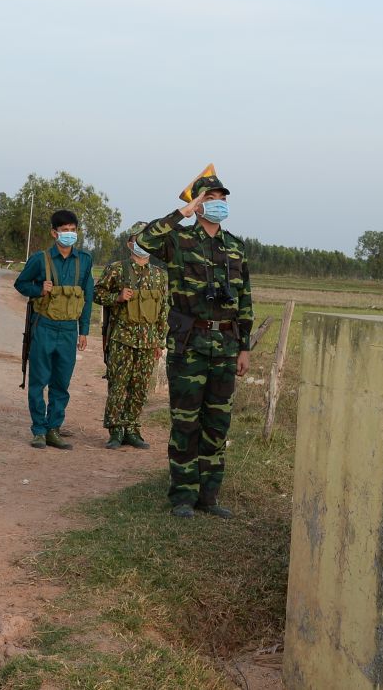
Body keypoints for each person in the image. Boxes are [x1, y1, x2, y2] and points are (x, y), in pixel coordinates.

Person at [136, 173, 252, 518]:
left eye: (223, 197)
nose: (219, 202)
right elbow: (142, 240)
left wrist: (244, 347)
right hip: (190, 344)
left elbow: (245, 299)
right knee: (186, 422)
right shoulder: (178, 241)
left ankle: (209, 497)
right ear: (199, 203)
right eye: (211, 197)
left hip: (227, 345)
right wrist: (181, 213)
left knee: (218, 424)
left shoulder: (235, 246)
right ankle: (183, 496)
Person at [14, 210, 94, 449]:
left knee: (61, 382)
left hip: (69, 329)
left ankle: (53, 428)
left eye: (73, 230)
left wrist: (84, 331)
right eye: (64, 230)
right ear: (54, 232)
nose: (69, 234)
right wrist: (40, 289)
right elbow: (21, 283)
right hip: (44, 327)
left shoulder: (85, 260)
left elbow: (88, 296)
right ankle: (38, 429)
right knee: (39, 380)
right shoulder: (40, 259)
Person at [92, 221, 168, 449]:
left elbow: (164, 310)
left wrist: (160, 341)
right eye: (138, 239)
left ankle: (133, 429)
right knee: (118, 385)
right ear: (129, 243)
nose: (143, 245)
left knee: (140, 387)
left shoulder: (160, 275)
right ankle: (115, 431)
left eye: (148, 240)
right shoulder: (117, 269)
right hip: (121, 339)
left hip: (148, 341)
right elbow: (97, 294)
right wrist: (116, 297)